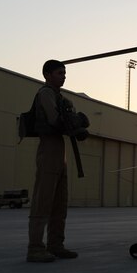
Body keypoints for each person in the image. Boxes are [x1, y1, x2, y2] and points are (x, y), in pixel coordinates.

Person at [27, 60, 79, 262]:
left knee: (59, 204)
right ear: (47, 74)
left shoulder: (61, 97)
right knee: (43, 202)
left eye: (64, 73)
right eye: (59, 73)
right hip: (48, 151)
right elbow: (55, 121)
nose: (63, 76)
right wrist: (74, 123)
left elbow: (68, 121)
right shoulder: (46, 94)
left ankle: (56, 245)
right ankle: (35, 248)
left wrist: (78, 123)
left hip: (60, 152)